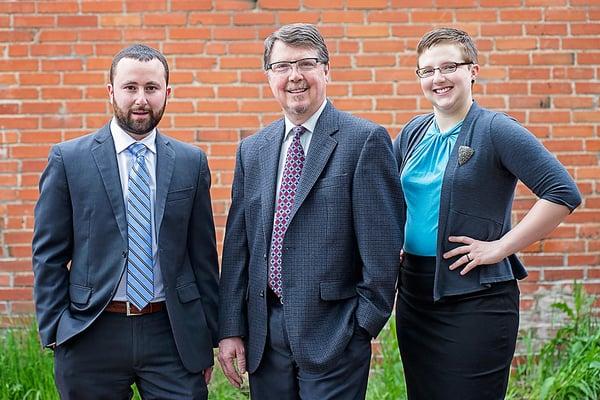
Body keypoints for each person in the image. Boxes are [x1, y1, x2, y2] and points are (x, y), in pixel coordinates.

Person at [393, 27, 582, 400]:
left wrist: (499, 248)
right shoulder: (414, 131)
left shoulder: (496, 129)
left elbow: (561, 192)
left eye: (449, 67)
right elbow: (389, 195)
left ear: (473, 71)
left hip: (476, 298)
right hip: (415, 294)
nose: (438, 78)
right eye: (427, 71)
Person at [217, 23, 403, 399]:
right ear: (269, 75)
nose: (295, 76)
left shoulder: (364, 141)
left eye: (306, 64)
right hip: (265, 338)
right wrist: (231, 327)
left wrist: (360, 328)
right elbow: (239, 249)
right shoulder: (252, 150)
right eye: (282, 66)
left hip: (334, 334)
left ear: (326, 71)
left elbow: (382, 251)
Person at [32, 44, 219, 399]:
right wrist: (56, 329)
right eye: (130, 87)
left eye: (151, 88)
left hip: (171, 333)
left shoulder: (190, 162)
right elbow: (49, 254)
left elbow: (203, 258)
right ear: (111, 91)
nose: (141, 99)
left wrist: (207, 337)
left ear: (167, 92)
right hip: (92, 330)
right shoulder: (69, 160)